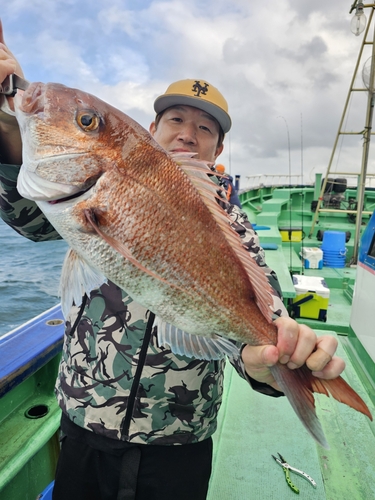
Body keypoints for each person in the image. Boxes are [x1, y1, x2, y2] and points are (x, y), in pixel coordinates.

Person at [0, 22, 344, 500]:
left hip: (179, 439)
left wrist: (266, 363)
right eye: (175, 121)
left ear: (217, 150)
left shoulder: (235, 227)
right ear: (152, 129)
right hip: (84, 421)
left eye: (205, 128)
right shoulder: (91, 189)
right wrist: (7, 134)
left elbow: (252, 327)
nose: (187, 134)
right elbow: (31, 222)